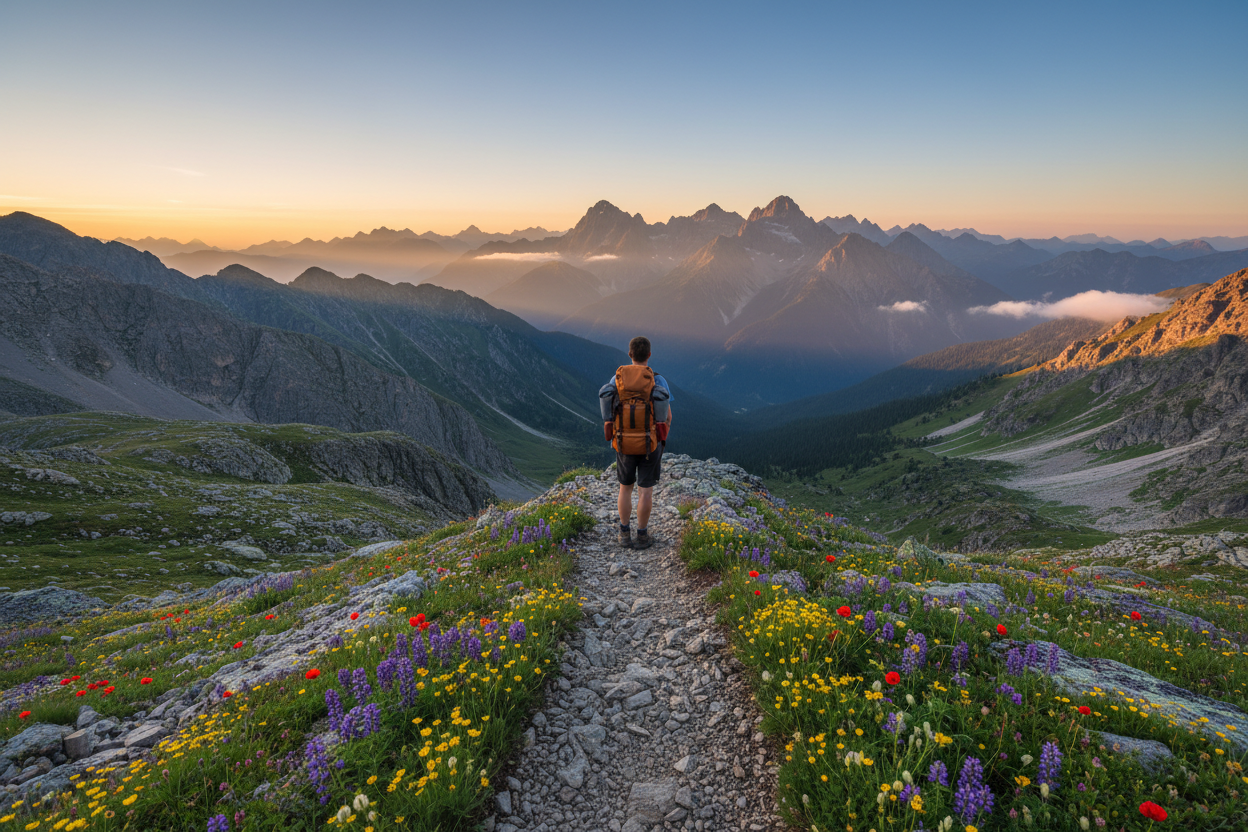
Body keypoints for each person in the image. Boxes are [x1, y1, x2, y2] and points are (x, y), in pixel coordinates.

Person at [600, 336, 672, 549]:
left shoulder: (617, 379)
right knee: (646, 490)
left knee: (625, 488)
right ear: (649, 355)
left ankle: (624, 534)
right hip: (650, 443)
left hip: (623, 443)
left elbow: (609, 413)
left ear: (630, 354)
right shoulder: (658, 380)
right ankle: (642, 535)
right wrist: (661, 437)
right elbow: (667, 417)